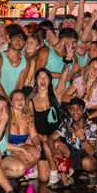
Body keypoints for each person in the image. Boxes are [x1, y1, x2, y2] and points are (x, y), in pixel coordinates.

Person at [30, 44, 73, 184]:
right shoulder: (30, 102)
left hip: (57, 137)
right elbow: (30, 124)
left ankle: (60, 172)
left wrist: (67, 61)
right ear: (36, 81)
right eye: (40, 77)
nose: (42, 80)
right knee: (43, 178)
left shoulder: (55, 95)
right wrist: (37, 137)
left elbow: (63, 77)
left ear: (49, 81)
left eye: (45, 77)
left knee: (53, 145)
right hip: (42, 140)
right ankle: (63, 170)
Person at [46, 97, 97, 188]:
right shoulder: (67, 122)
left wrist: (82, 138)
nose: (75, 112)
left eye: (78, 109)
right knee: (54, 144)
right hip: (73, 154)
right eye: (73, 109)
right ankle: (64, 180)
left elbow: (91, 152)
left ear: (83, 111)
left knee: (87, 162)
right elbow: (50, 138)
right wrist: (54, 152)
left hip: (88, 155)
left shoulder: (91, 125)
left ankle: (92, 174)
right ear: (69, 111)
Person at [0, 24, 29, 103]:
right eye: (15, 38)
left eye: (21, 39)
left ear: (24, 42)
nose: (18, 41)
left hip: (12, 102)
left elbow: (20, 84)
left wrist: (14, 100)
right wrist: (8, 101)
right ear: (9, 40)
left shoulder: (26, 61)